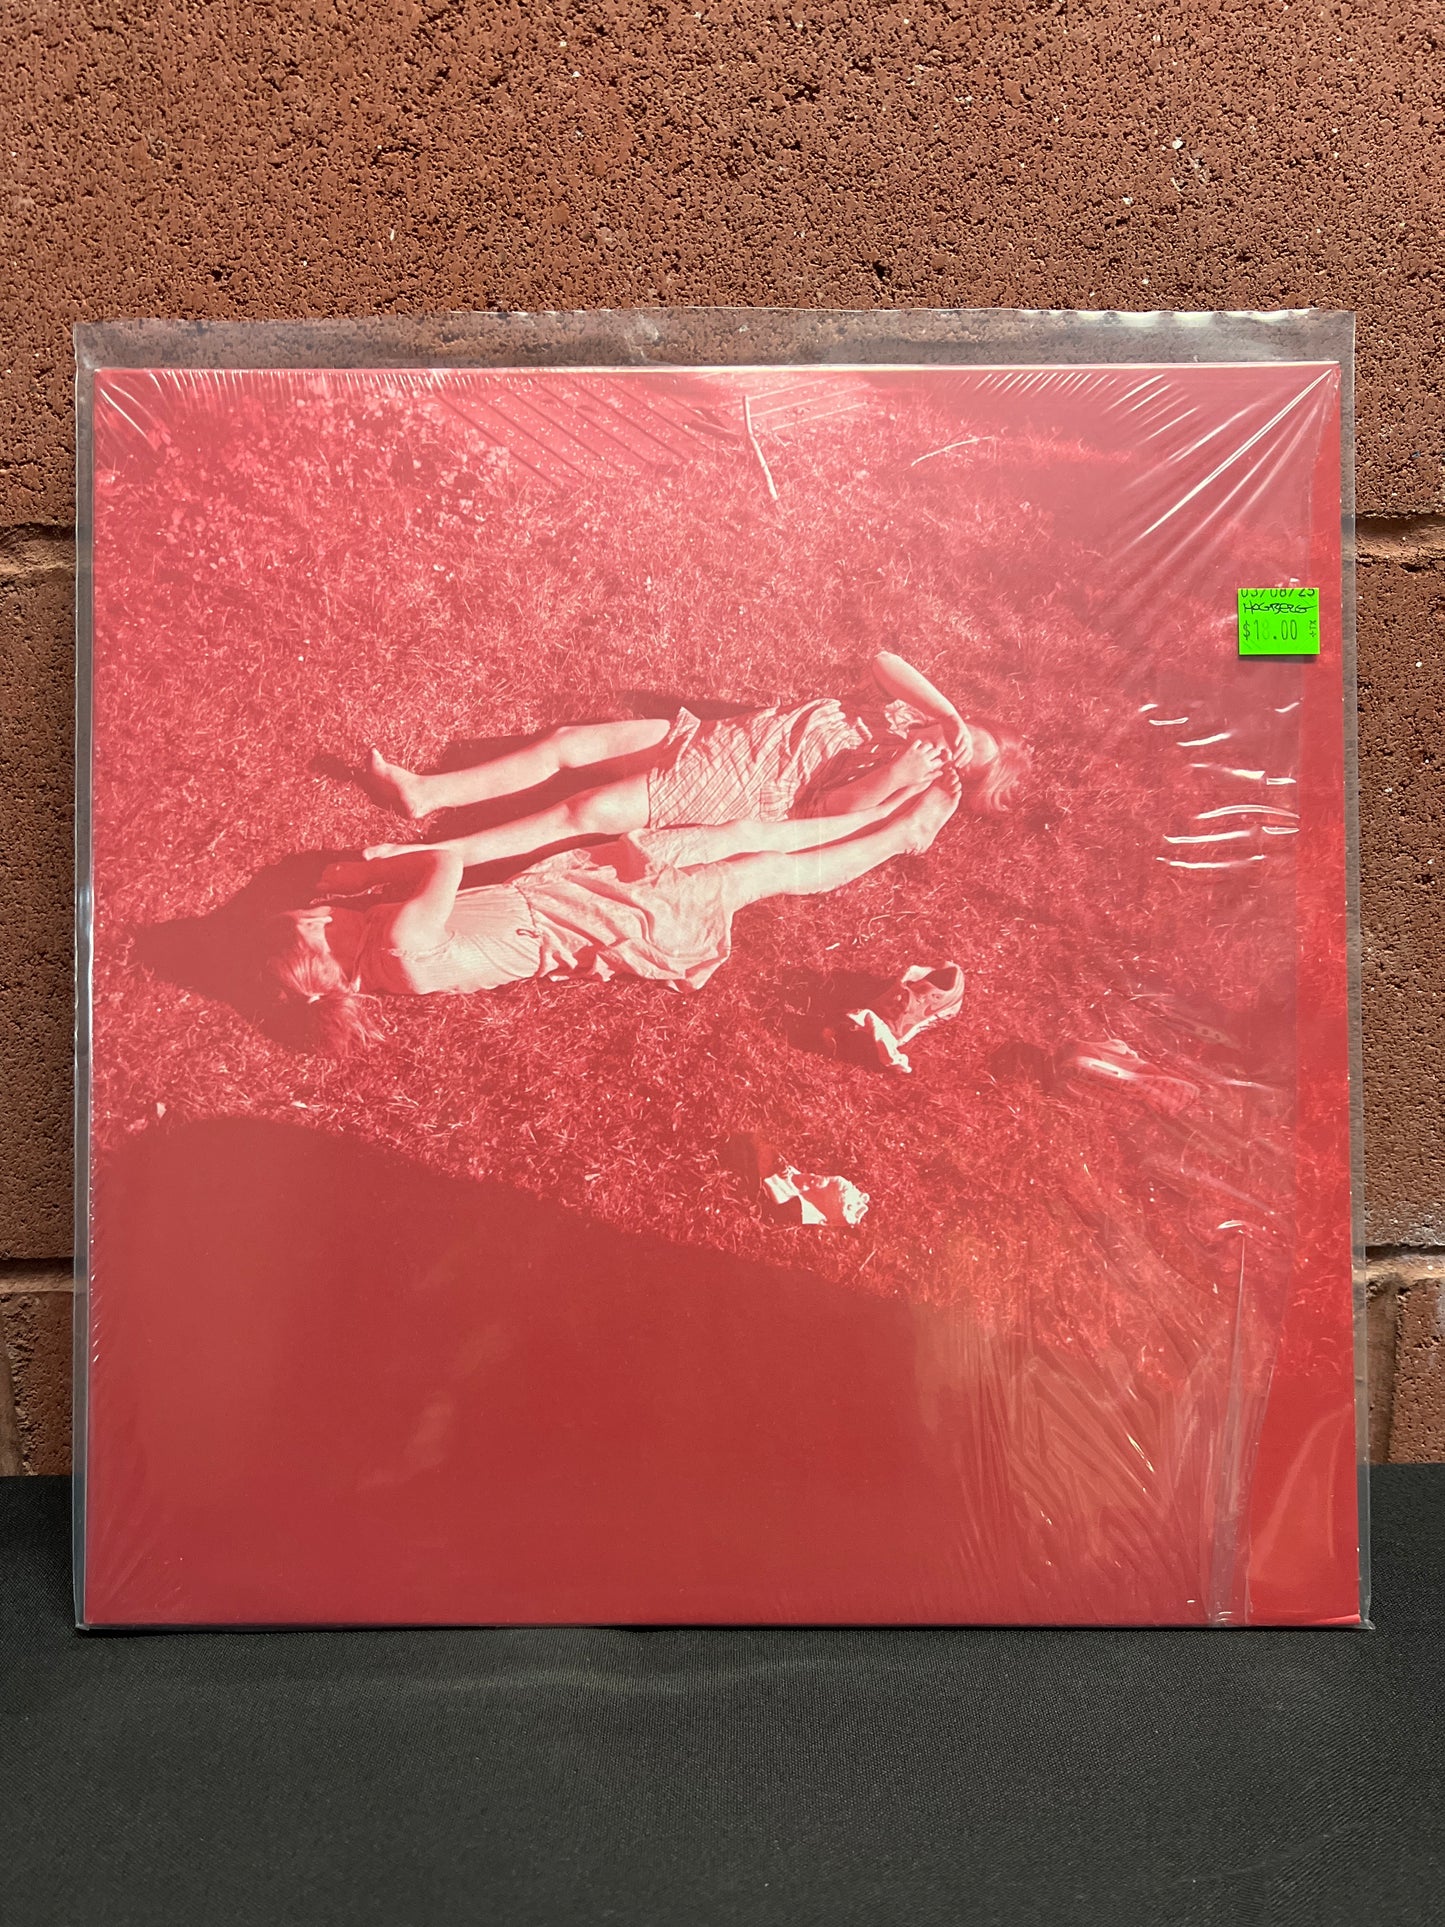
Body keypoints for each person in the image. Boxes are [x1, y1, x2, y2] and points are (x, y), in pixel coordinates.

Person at [269, 777, 960, 1054]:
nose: (323, 910)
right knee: (759, 869)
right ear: (326, 955)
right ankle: (899, 834)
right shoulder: (397, 946)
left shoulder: (382, 953)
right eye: (314, 919)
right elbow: (444, 863)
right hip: (608, 915)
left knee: (736, 838)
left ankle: (877, 815)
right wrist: (371, 873)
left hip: (573, 891)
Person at [361, 651, 1025, 870]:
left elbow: (832, 812)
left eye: (962, 758)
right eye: (966, 736)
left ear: (955, 778)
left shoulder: (911, 775)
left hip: (744, 782)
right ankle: (426, 792)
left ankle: (436, 857)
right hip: (716, 735)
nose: (951, 746)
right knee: (567, 742)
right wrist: (949, 714)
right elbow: (881, 660)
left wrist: (899, 774)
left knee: (583, 811)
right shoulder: (906, 715)